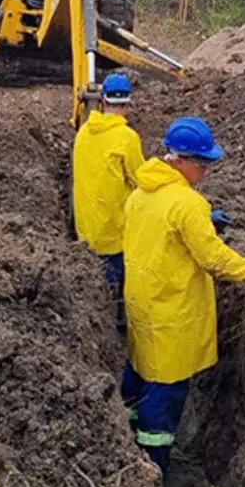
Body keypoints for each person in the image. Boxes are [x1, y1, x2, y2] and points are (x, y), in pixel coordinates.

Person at [120, 117, 245, 481]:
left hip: (141, 302)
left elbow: (161, 232)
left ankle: (126, 445)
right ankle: (156, 470)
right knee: (166, 394)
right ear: (179, 161)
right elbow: (214, 259)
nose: (206, 172)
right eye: (202, 165)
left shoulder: (140, 192)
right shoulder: (186, 204)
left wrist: (202, 221)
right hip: (171, 311)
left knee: (137, 376)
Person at [72, 73, 143, 329]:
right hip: (114, 231)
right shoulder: (127, 138)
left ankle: (104, 325)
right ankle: (115, 326)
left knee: (96, 284)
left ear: (102, 102)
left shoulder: (83, 133)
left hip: (86, 229)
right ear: (127, 103)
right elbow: (141, 181)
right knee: (113, 288)